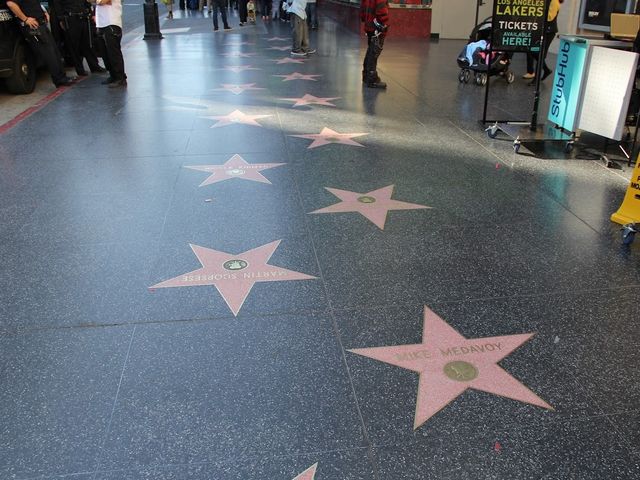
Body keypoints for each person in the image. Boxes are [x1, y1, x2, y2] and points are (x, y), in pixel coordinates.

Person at [6, 0, 75, 87]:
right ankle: (59, 79)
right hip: (33, 26)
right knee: (49, 53)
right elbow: (11, 4)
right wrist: (25, 19)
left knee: (54, 51)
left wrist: (44, 12)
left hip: (40, 23)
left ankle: (62, 77)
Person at [51, 0, 105, 75]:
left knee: (88, 44)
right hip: (70, 17)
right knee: (73, 46)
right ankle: (80, 70)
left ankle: (95, 66)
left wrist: (91, 12)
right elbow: (57, 4)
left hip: (84, 15)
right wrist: (60, 18)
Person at [524, 0, 563, 83]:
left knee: (541, 54)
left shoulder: (554, 1)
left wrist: (538, 11)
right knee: (532, 50)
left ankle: (536, 80)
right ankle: (546, 70)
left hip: (549, 32)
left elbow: (549, 17)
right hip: (541, 30)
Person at [95, 0, 127, 87]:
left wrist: (98, 1)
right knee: (104, 53)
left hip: (112, 22)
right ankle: (113, 75)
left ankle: (120, 78)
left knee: (113, 52)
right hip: (101, 23)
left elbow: (104, 1)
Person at [360, 0, 388, 88]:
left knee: (370, 51)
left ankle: (366, 76)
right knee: (374, 52)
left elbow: (362, 10)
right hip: (377, 27)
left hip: (369, 25)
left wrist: (366, 19)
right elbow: (381, 10)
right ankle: (372, 79)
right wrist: (384, 23)